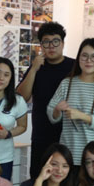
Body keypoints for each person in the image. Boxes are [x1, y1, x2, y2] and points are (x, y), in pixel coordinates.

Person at [47, 38, 94, 172]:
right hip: (69, 154)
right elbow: (51, 114)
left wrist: (82, 116)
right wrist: (57, 110)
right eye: (84, 56)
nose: (88, 60)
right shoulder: (67, 83)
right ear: (78, 58)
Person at [16, 22, 75, 178]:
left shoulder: (74, 67)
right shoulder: (37, 67)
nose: (51, 46)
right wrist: (34, 69)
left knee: (65, 180)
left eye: (55, 41)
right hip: (41, 134)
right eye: (46, 42)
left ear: (63, 43)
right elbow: (21, 98)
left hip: (68, 134)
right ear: (41, 45)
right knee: (39, 177)